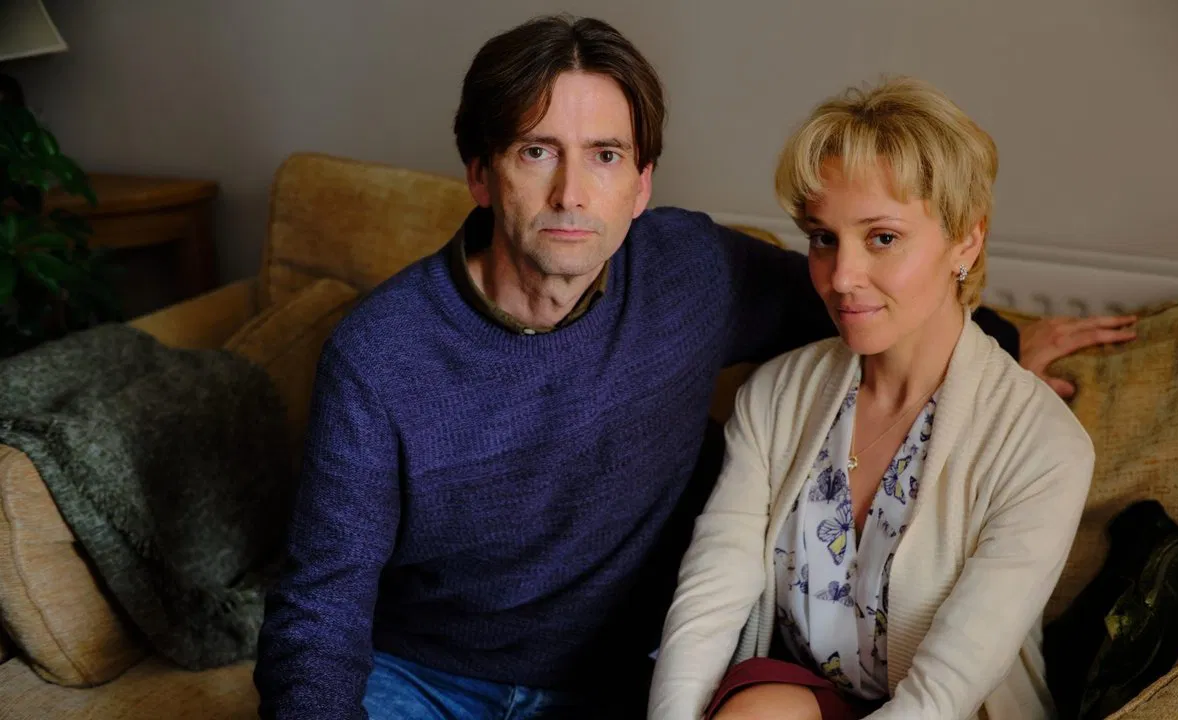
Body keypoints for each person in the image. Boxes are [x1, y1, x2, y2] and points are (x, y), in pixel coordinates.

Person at [254, 15, 1129, 720]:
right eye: (535, 151)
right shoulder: (379, 356)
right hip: (425, 676)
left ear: (641, 183)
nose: (571, 193)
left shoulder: (689, 273)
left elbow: (866, 301)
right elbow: (320, 608)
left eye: (605, 156)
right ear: (481, 175)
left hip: (615, 678)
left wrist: (998, 340)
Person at [648, 79, 1098, 720]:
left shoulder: (1045, 445)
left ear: (966, 241)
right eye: (823, 238)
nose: (842, 277)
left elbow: (942, 693)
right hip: (806, 699)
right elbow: (712, 590)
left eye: (882, 237)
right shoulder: (775, 395)